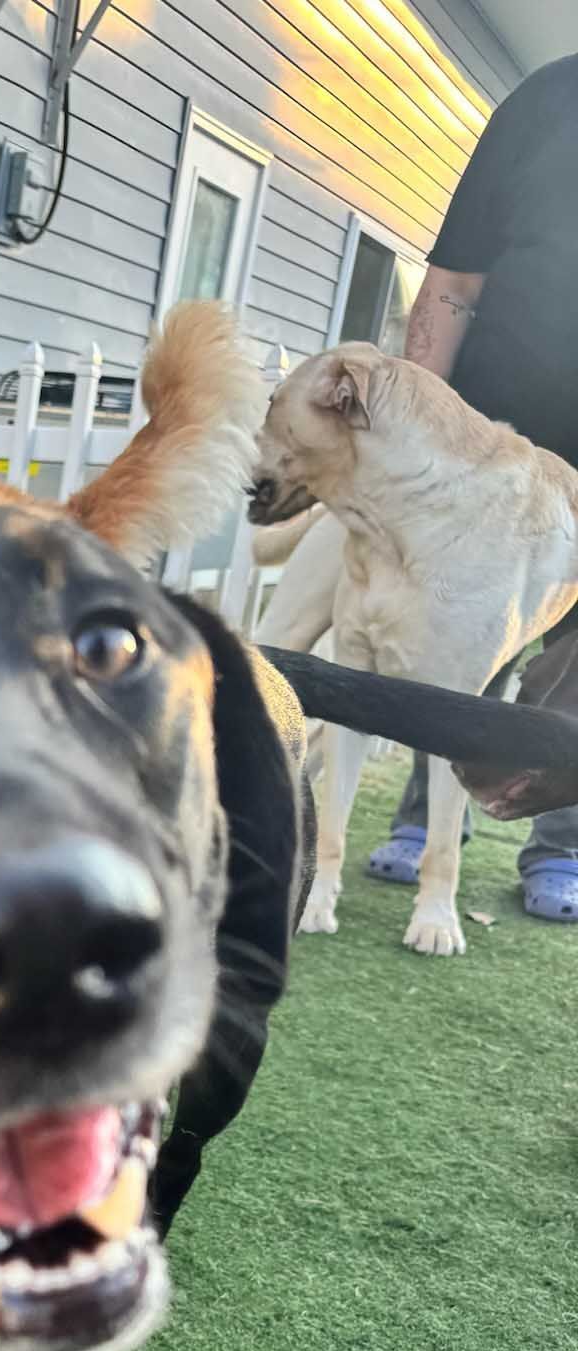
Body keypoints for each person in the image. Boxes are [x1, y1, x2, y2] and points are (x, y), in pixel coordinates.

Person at [370, 51, 578, 922]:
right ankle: (427, 823)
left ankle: (561, 842)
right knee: (462, 647)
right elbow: (452, 287)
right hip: (497, 451)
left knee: (573, 671)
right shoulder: (548, 101)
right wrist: (416, 440)